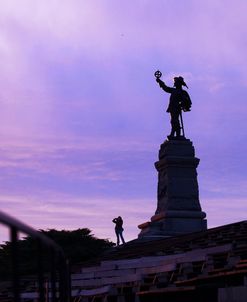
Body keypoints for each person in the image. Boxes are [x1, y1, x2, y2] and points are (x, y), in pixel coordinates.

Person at [156, 75, 191, 140]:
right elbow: (166, 88)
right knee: (173, 121)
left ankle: (176, 134)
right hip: (172, 107)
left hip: (177, 108)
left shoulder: (183, 92)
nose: (174, 83)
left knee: (175, 121)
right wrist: (160, 81)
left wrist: (182, 103)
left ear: (179, 83)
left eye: (176, 82)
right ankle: (175, 134)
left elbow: (188, 101)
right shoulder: (173, 90)